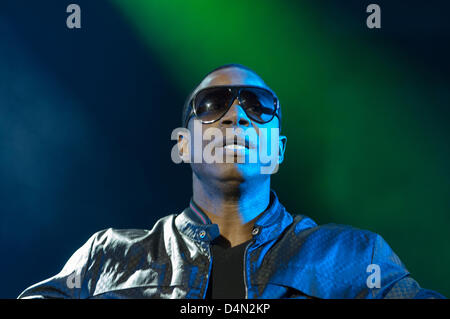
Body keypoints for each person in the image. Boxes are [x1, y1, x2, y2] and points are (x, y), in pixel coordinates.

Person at [18, 64, 445, 299]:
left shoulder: (353, 258)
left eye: (258, 106)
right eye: (212, 104)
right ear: (183, 146)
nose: (235, 116)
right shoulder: (107, 258)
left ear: (277, 152)